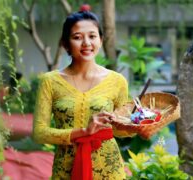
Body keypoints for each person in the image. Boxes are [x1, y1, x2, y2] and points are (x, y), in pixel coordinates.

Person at [33, 9, 134, 180]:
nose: (86, 43)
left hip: (109, 169)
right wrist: (83, 132)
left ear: (101, 41)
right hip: (66, 169)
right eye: (77, 37)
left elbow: (121, 131)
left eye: (92, 36)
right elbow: (39, 133)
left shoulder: (117, 81)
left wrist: (136, 124)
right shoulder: (49, 81)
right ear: (65, 44)